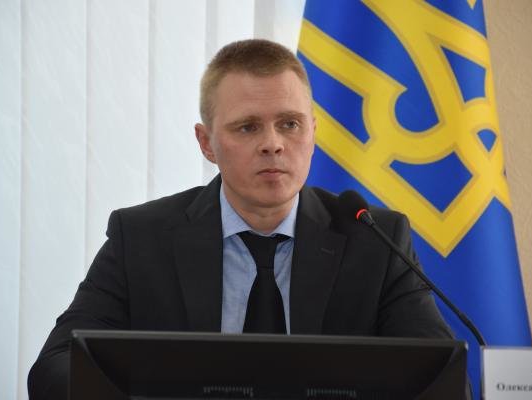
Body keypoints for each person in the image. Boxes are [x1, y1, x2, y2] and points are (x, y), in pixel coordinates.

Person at [28, 39, 454, 399]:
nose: (273, 144)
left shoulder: (375, 239)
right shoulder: (142, 238)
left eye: (290, 124)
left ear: (313, 131)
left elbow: (440, 379)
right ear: (206, 143)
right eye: (248, 127)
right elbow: (55, 368)